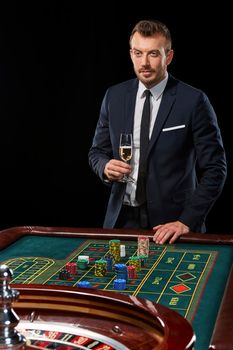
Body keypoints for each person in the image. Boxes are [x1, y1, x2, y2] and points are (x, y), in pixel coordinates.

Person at [88, 19, 227, 244]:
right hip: (121, 220)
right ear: (131, 53)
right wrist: (104, 166)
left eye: (153, 54)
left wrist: (186, 221)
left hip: (172, 225)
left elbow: (215, 169)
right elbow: (96, 152)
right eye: (138, 53)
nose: (144, 63)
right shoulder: (113, 96)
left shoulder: (194, 101)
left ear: (168, 57)